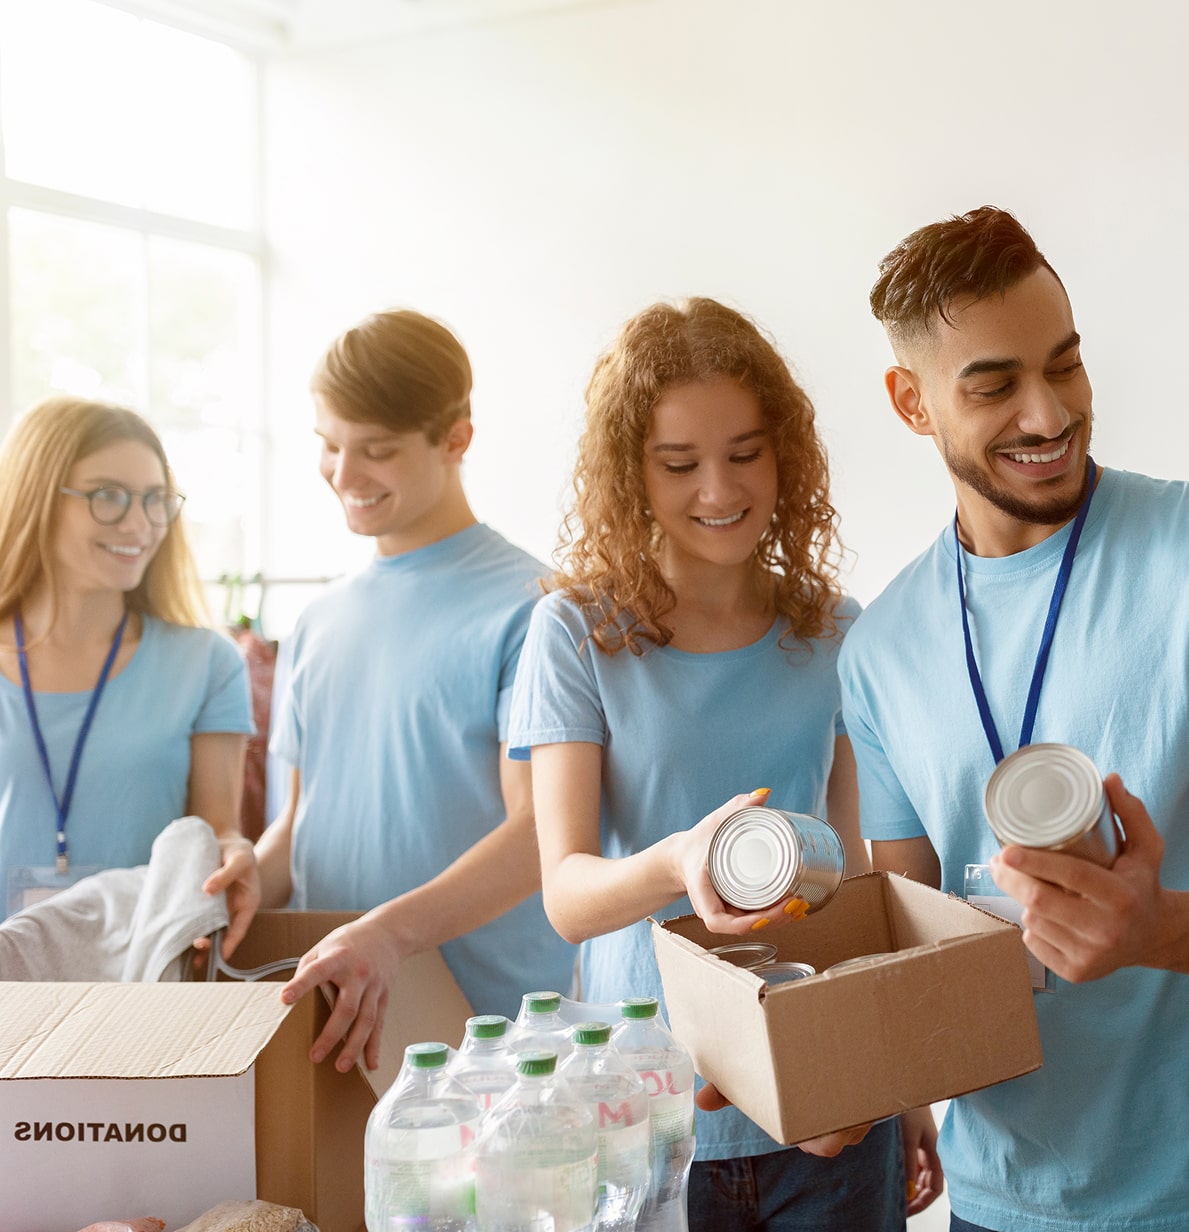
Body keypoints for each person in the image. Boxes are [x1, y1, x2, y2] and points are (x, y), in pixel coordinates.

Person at [836, 206, 1189, 1231]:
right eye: (994, 385)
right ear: (910, 402)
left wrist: (1159, 927)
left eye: (1066, 365)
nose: (1049, 414)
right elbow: (911, 932)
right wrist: (822, 1076)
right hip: (1006, 1203)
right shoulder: (881, 650)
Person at [509, 297, 925, 1228]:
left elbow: (856, 878)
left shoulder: (835, 630)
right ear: (631, 472)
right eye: (679, 464)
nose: (718, 489)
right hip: (648, 1121)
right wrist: (679, 860)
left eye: (745, 453)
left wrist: (898, 1085)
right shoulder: (576, 633)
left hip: (822, 1106)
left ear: (785, 456)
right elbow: (568, 897)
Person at [256, 309, 575, 1071]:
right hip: (336, 1028)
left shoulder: (535, 610)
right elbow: (296, 825)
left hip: (486, 1045)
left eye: (377, 450)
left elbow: (540, 832)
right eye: (329, 445)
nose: (344, 474)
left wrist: (390, 933)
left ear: (456, 439)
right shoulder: (317, 622)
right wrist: (240, 883)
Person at [0, 396, 256, 947]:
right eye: (108, 496)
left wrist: (233, 851)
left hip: (140, 974)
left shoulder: (207, 665)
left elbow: (215, 830)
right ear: (36, 496)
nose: (140, 524)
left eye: (155, 499)